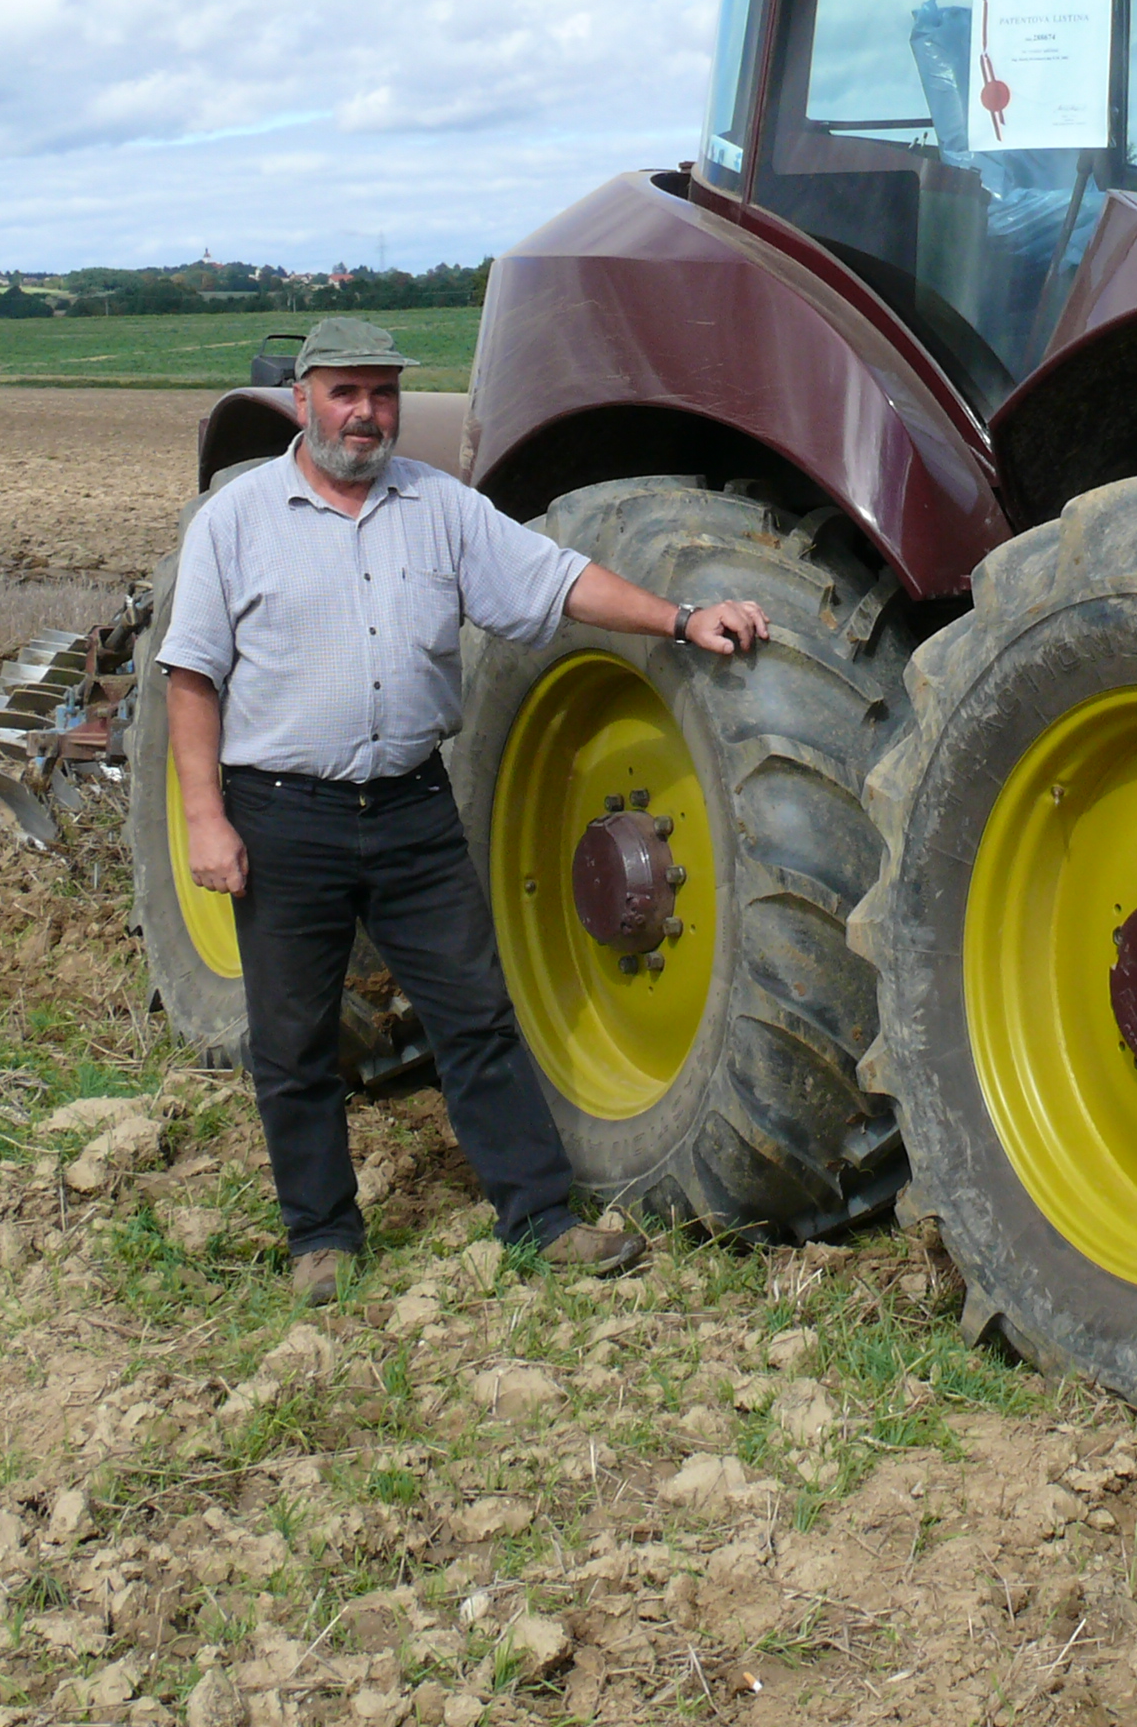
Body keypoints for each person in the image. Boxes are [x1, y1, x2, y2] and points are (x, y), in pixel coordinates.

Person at [158, 315, 772, 1304]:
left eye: (384, 393)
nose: (367, 413)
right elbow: (191, 677)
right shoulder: (236, 523)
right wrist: (204, 819)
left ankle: (538, 1218)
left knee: (477, 1020)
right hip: (283, 814)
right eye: (347, 392)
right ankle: (322, 1236)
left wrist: (678, 618)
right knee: (295, 1039)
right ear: (306, 397)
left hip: (408, 808)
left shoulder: (438, 505)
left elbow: (558, 579)